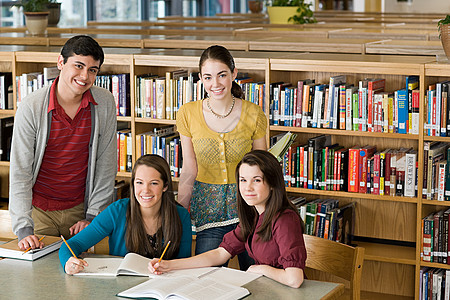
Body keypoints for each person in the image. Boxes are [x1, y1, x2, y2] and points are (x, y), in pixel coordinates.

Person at [9, 35, 117, 251]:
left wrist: (92, 216)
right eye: (78, 65)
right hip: (38, 212)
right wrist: (24, 228)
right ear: (61, 62)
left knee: (80, 274)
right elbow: (20, 171)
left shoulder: (104, 102)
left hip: (80, 211)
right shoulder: (31, 106)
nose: (84, 76)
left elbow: (106, 165)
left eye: (93, 70)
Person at [149, 150, 306, 288]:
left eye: (256, 180)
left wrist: (260, 269)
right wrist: (169, 265)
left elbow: (294, 279)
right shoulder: (253, 216)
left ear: (272, 183)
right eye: (243, 180)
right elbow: (219, 254)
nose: (247, 187)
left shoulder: (285, 220)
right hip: (269, 289)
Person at [176, 45, 267, 268]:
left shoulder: (254, 113)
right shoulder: (187, 113)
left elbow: (263, 170)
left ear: (234, 74)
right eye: (208, 77)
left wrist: (268, 214)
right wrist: (179, 212)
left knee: (257, 277)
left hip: (250, 211)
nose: (215, 84)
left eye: (222, 75)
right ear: (201, 79)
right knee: (207, 279)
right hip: (208, 214)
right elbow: (189, 168)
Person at [60, 154, 192, 275]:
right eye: (139, 182)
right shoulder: (117, 211)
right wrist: (68, 262)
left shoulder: (181, 216)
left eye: (154, 183)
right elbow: (71, 245)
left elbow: (184, 263)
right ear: (133, 184)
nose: (145, 190)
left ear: (165, 186)